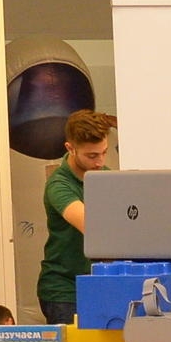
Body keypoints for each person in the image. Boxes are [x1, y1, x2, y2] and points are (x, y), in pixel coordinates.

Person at [37, 109, 115, 327]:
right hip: (65, 290)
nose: (100, 162)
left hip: (100, 284)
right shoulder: (58, 185)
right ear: (70, 148)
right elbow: (92, 227)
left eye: (104, 152)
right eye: (92, 155)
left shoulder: (107, 177)